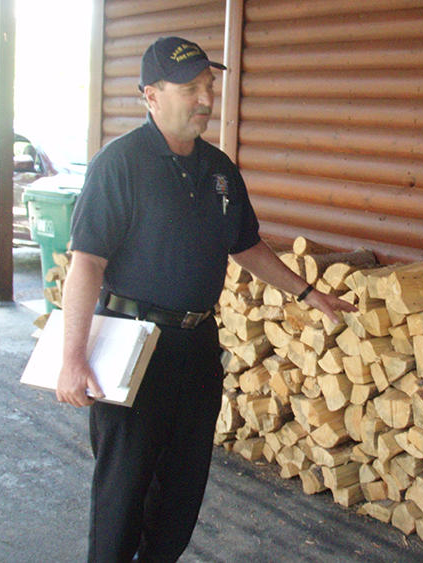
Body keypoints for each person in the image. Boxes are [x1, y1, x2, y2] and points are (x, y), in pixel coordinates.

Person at [56, 36, 357, 562]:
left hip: (197, 348)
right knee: (123, 490)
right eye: (191, 87)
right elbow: (87, 264)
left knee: (180, 489)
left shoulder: (220, 170)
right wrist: (73, 357)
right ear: (151, 95)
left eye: (210, 86)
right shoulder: (119, 165)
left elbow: (247, 247)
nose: (205, 99)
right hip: (133, 346)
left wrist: (309, 292)